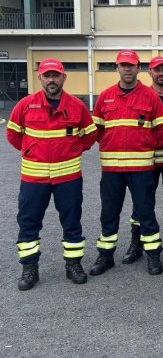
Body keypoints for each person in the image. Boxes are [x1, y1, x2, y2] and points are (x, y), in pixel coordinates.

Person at [6, 58, 97, 290]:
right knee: (28, 223)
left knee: (72, 222)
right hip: (34, 179)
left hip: (68, 178)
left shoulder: (77, 106)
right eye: (47, 76)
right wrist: (31, 151)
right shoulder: (25, 105)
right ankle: (29, 268)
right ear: (40, 78)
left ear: (63, 77)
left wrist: (74, 150)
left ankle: (73, 264)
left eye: (56, 75)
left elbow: (89, 136)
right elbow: (14, 134)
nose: (51, 80)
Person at [90, 50, 163, 276]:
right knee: (109, 213)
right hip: (112, 170)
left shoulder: (150, 96)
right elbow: (96, 130)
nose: (127, 69)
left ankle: (153, 255)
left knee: (145, 212)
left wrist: (145, 145)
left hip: (141, 169)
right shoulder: (105, 96)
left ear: (138, 68)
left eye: (131, 65)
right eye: (123, 65)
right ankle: (105, 255)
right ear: (117, 67)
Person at [122, 56, 163, 264]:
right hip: (144, 162)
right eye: (156, 70)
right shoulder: (141, 96)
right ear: (149, 73)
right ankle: (137, 242)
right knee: (141, 204)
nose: (161, 73)